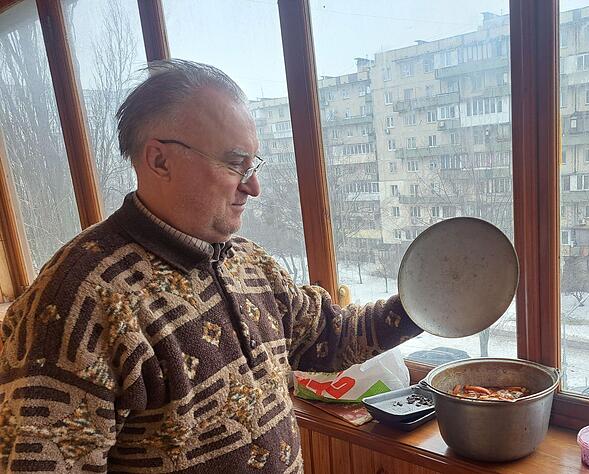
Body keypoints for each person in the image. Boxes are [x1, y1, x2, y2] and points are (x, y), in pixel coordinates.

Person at [0, 60, 423, 473]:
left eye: (252, 164)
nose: (253, 186)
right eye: (235, 163)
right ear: (159, 160)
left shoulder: (249, 261)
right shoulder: (81, 298)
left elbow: (329, 336)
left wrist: (427, 303)